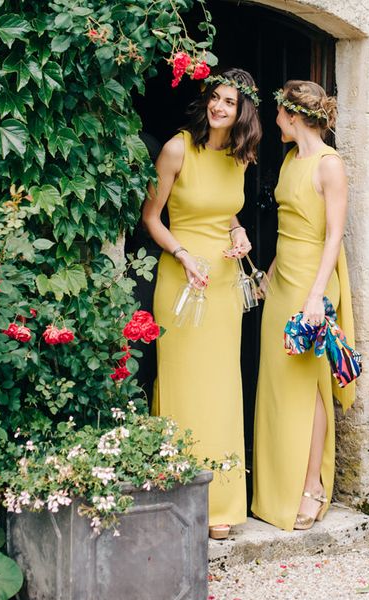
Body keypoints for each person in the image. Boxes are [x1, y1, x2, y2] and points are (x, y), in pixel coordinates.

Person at [142, 68, 262, 540]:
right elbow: (152, 216)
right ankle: (175, 495)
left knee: (221, 385)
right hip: (182, 276)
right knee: (185, 383)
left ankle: (223, 506)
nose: (219, 107)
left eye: (229, 102)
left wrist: (238, 231)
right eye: (215, 98)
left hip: (224, 281)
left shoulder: (239, 157)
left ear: (241, 112)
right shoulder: (177, 148)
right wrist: (183, 254)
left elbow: (224, 207)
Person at [252, 80, 356, 531]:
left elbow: (333, 234)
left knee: (310, 385)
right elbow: (288, 228)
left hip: (313, 283)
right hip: (284, 279)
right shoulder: (291, 158)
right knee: (278, 384)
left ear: (293, 116)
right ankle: (276, 488)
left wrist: (316, 296)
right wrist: (269, 274)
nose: (274, 120)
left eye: (278, 113)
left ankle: (311, 485)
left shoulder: (329, 165)